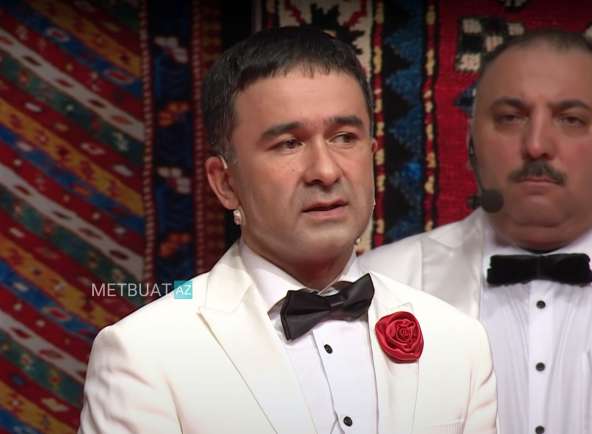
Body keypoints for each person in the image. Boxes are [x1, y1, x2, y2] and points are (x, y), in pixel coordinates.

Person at [78, 26, 497, 434]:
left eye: (344, 137)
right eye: (288, 144)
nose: (325, 171)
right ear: (225, 183)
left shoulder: (459, 342)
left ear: (372, 156)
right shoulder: (144, 353)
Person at [360, 29, 592, 434]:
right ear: (470, 143)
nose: (536, 144)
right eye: (510, 117)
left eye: (571, 119)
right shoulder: (373, 287)